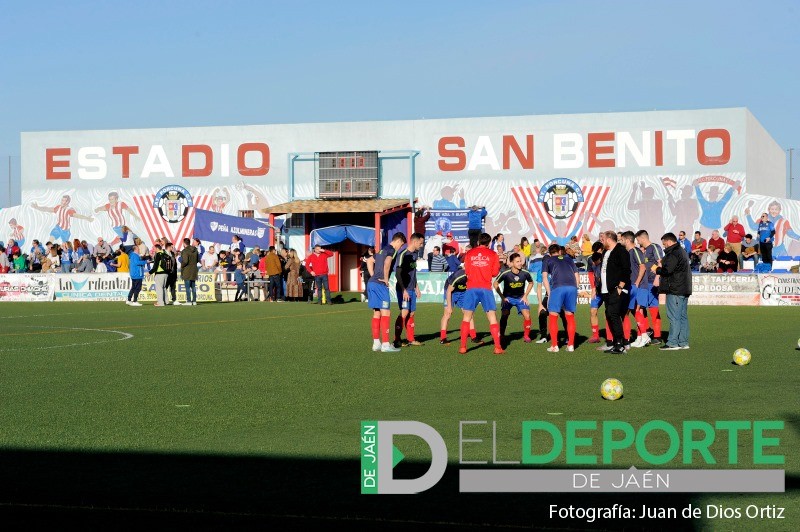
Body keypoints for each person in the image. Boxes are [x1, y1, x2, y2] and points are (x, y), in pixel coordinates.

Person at [459, 232, 504, 355]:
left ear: (478, 241)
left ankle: (463, 347)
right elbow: (495, 273)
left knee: (466, 318)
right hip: (485, 289)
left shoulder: (469, 253)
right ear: (489, 243)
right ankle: (497, 347)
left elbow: (466, 270)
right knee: (492, 318)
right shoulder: (493, 254)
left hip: (471, 288)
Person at [652, 232, 692, 350]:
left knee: (674, 316)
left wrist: (658, 269)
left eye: (664, 244)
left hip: (675, 289)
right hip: (684, 288)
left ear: (669, 242)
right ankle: (683, 342)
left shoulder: (673, 253)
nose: (664, 246)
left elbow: (668, 270)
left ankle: (672, 342)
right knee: (682, 316)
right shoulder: (682, 252)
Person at [367, 233, 407, 352]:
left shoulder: (381, 250)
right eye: (401, 245)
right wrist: (385, 278)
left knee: (377, 313)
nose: (400, 248)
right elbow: (388, 263)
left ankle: (376, 343)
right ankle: (385, 344)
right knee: (386, 313)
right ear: (398, 241)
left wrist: (373, 276)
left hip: (372, 283)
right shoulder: (392, 250)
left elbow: (369, 260)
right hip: (380, 284)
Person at [598, 231, 631, 354]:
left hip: (616, 289)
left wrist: (620, 287)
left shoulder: (621, 251)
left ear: (609, 239)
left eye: (603, 239)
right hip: (606, 290)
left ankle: (620, 344)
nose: (602, 241)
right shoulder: (606, 252)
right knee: (609, 314)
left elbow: (626, 270)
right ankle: (615, 343)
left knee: (614, 314)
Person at [541, 244, 579, 352]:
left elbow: (544, 278)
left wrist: (549, 294)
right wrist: (575, 289)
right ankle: (571, 345)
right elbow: (577, 276)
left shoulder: (547, 260)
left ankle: (554, 346)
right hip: (572, 287)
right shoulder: (569, 259)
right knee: (570, 316)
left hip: (558, 288)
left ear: (550, 253)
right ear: (560, 251)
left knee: (553, 316)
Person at [494, 252, 534, 345]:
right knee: (505, 314)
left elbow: (531, 283)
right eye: (517, 261)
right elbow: (495, 283)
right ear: (511, 263)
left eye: (520, 261)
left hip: (520, 298)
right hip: (508, 298)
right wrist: (502, 297)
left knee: (527, 316)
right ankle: (502, 335)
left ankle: (526, 336)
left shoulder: (525, 273)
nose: (520, 263)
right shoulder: (505, 273)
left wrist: (525, 296)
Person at [394, 233, 425, 347]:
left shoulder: (414, 254)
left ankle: (411, 339)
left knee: (411, 313)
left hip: (412, 288)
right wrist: (404, 290)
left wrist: (417, 287)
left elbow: (413, 272)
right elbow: (397, 274)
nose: (421, 245)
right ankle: (397, 339)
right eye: (420, 243)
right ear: (415, 242)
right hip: (404, 289)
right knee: (404, 312)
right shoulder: (403, 254)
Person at [634, 230, 664, 346]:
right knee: (645, 307)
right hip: (646, 283)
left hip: (652, 282)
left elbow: (660, 262)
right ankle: (649, 331)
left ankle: (655, 335)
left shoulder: (654, 247)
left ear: (642, 238)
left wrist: (657, 277)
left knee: (650, 307)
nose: (637, 242)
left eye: (638, 240)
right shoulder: (645, 251)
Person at [440, 265, 479, 345]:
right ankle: (443, 338)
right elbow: (448, 291)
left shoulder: (475, 276)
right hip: (451, 291)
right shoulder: (459, 276)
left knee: (469, 313)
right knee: (447, 314)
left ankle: (473, 337)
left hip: (463, 292)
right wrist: (450, 307)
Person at [148, 243, 171, 307]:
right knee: (163, 288)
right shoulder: (164, 253)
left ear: (157, 248)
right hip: (166, 273)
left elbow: (156, 266)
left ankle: (161, 303)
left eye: (154, 248)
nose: (153, 249)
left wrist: (150, 272)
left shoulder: (158, 254)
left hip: (159, 273)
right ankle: (166, 301)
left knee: (159, 289)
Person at [180, 237, 199, 305]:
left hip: (187, 270)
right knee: (193, 286)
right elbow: (197, 260)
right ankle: (194, 301)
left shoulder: (185, 251)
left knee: (187, 286)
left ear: (184, 243)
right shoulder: (195, 250)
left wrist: (181, 265)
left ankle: (188, 301)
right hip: (194, 269)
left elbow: (185, 261)